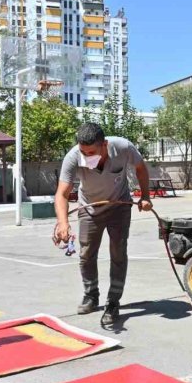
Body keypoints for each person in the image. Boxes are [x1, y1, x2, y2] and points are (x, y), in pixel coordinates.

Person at [53, 123, 153, 325]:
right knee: (86, 253)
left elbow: (141, 168)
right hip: (89, 208)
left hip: (119, 205)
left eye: (91, 152)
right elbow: (62, 193)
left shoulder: (123, 147)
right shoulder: (73, 157)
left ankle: (113, 302)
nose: (86, 156)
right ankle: (91, 295)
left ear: (104, 145)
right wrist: (63, 223)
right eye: (83, 152)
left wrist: (144, 196)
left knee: (118, 251)